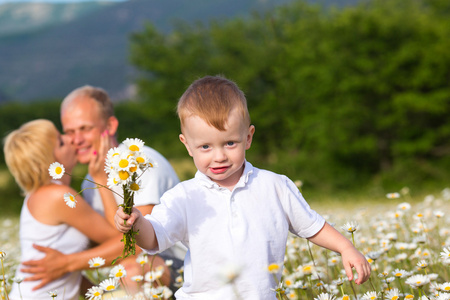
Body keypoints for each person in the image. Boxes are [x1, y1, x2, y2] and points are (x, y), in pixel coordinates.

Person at [115, 75, 372, 299]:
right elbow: (155, 237)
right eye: (205, 146)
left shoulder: (274, 186)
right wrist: (137, 223)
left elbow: (311, 225)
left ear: (248, 137)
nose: (219, 156)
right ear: (187, 145)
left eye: (229, 143)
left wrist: (346, 248)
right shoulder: (184, 196)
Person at [20, 86, 185, 293]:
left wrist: (67, 263)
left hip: (181, 268)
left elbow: (136, 246)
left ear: (110, 125)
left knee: (132, 268)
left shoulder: (140, 163)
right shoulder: (88, 181)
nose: (76, 140)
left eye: (85, 129)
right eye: (70, 132)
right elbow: (111, 238)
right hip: (135, 277)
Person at [3, 119, 120, 300]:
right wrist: (100, 178)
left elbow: (63, 272)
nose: (70, 139)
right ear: (49, 160)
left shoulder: (41, 196)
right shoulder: (57, 196)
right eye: (60, 141)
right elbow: (120, 239)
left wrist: (103, 295)